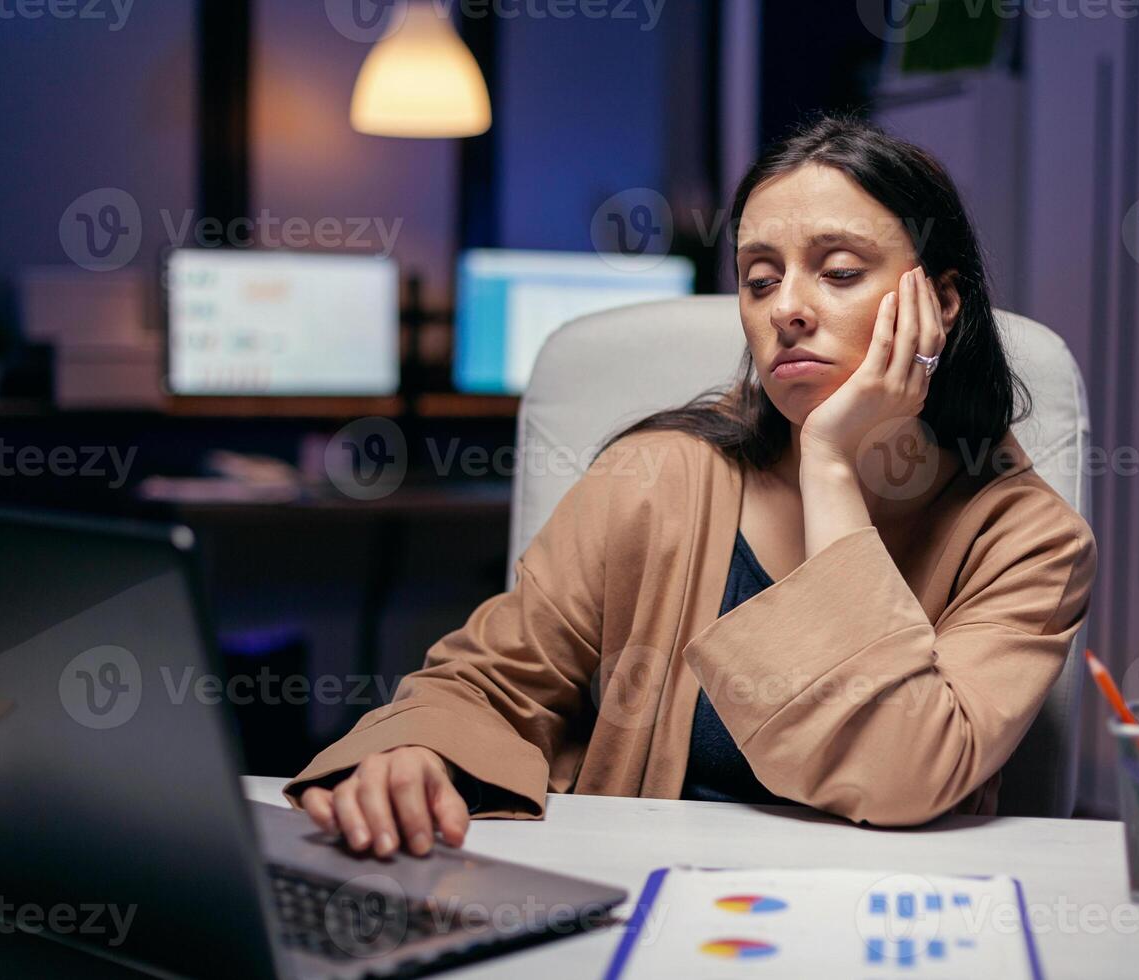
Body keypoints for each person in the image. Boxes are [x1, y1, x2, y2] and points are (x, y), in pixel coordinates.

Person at [287, 113, 1097, 858]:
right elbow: (488, 680)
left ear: (942, 303)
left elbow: (898, 774)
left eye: (840, 271)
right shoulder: (660, 476)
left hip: (890, 922)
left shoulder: (1029, 541)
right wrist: (417, 751)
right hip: (645, 903)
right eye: (760, 279)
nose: (788, 309)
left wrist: (829, 464)